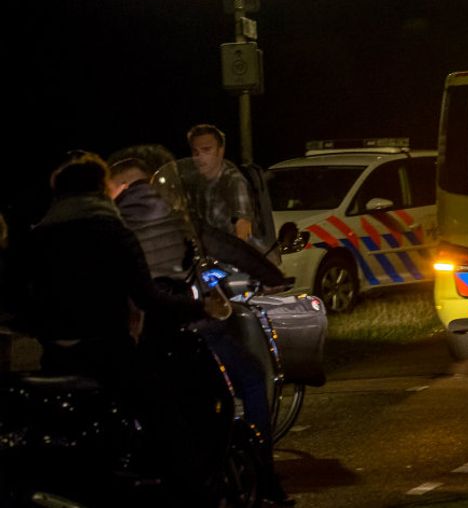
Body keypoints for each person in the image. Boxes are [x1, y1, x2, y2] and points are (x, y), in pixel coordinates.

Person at [109, 156, 294, 506]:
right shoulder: (179, 219)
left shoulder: (117, 225)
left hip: (140, 338)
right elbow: (230, 248)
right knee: (251, 379)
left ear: (117, 187)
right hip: (187, 326)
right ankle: (264, 475)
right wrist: (273, 277)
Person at [22, 152, 226, 390]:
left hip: (56, 356)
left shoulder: (37, 237)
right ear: (101, 190)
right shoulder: (114, 233)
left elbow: (16, 296)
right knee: (158, 408)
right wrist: (201, 308)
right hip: (108, 353)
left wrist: (45, 327)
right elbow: (147, 297)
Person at [186, 124, 255, 242]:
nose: (200, 157)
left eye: (206, 150)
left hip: (227, 256)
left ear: (220, 150)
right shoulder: (195, 183)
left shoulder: (233, 181)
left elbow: (243, 227)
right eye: (195, 151)